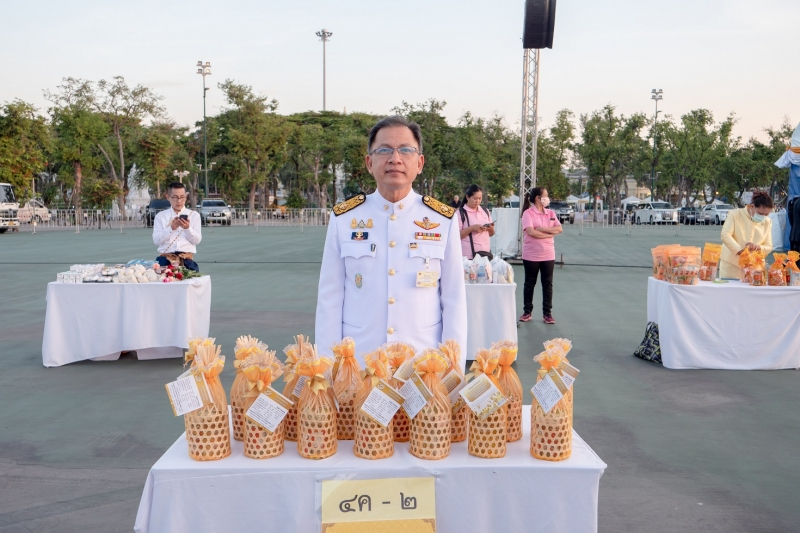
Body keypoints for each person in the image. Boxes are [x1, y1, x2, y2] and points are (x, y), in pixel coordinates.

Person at [315, 115, 467, 365]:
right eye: (384, 150)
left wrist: (453, 370)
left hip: (423, 367)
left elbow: (453, 301)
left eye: (405, 150)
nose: (395, 159)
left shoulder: (442, 220)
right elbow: (330, 299)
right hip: (360, 364)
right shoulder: (344, 218)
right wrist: (329, 369)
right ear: (369, 162)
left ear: (419, 163)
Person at [519, 187, 562, 324]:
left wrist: (543, 229)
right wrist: (549, 234)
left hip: (548, 254)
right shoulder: (528, 213)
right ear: (538, 198)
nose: (547, 198)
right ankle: (527, 312)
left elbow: (559, 228)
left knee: (547, 284)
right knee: (529, 283)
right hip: (531, 254)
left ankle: (547, 314)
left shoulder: (550, 213)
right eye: (546, 195)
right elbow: (531, 232)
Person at [719, 192, 774, 278]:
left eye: (766, 214)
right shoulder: (735, 214)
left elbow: (769, 246)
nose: (763, 216)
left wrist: (757, 247)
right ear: (752, 206)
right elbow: (725, 235)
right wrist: (741, 252)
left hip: (754, 266)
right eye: (760, 213)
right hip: (732, 265)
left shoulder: (767, 222)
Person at [152, 182, 202, 272]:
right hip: (165, 259)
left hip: (186, 261)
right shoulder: (161, 216)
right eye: (175, 197)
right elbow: (157, 240)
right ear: (168, 197)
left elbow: (196, 240)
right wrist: (171, 228)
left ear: (186, 196)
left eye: (182, 197)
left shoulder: (194, 215)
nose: (179, 201)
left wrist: (187, 228)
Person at [458, 184, 495, 259]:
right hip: (468, 256)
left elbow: (491, 234)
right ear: (467, 197)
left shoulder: (485, 211)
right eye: (475, 198)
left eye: (480, 198)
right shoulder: (460, 213)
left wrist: (490, 228)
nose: (478, 201)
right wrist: (471, 228)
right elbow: (456, 236)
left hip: (486, 254)